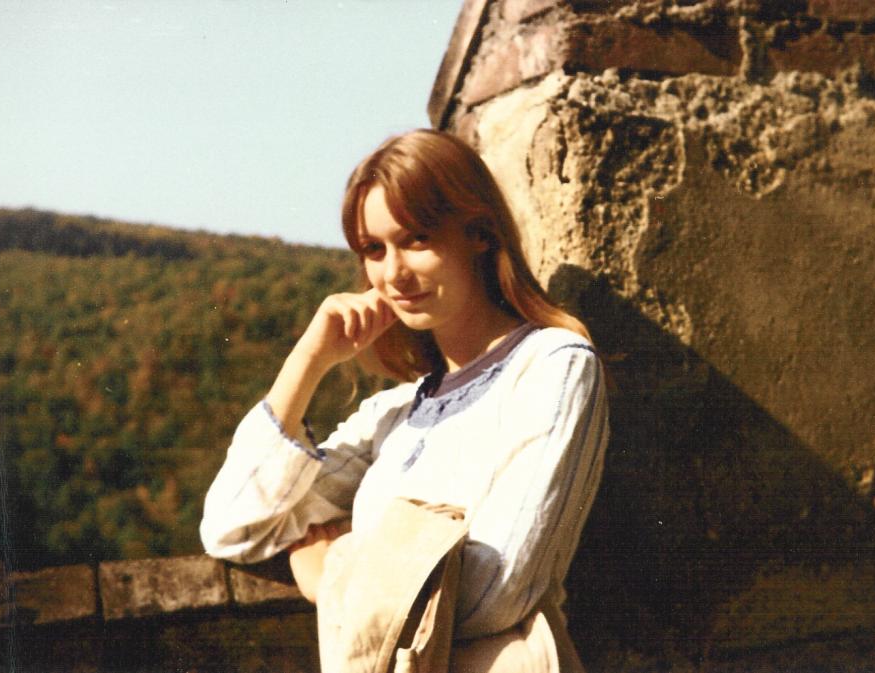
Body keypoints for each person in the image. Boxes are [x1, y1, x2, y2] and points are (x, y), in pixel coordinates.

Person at [200, 129, 609, 669]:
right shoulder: (394, 414)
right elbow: (233, 529)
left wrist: (331, 575)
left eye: (416, 239)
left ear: (479, 233)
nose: (393, 274)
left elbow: (496, 591)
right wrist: (308, 362)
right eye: (374, 249)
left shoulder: (553, 366)